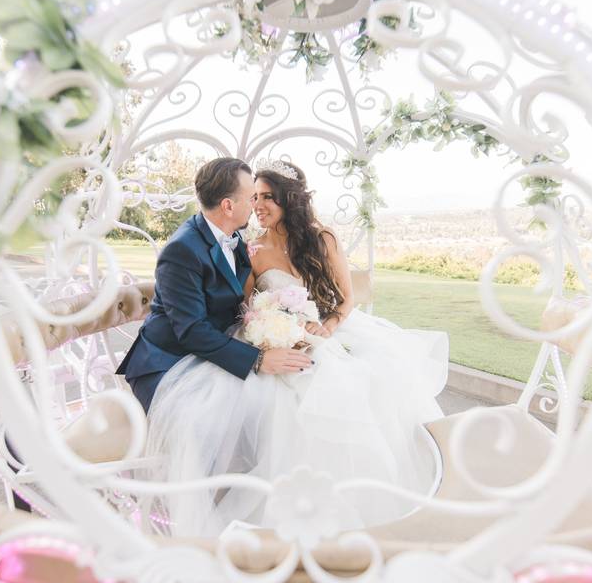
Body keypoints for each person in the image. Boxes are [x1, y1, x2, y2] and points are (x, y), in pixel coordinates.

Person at [142, 158, 449, 537]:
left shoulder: (324, 240)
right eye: (253, 197)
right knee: (276, 399)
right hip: (274, 338)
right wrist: (272, 331)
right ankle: (283, 506)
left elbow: (344, 301)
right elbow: (247, 306)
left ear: (291, 199)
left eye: (268, 197)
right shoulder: (249, 248)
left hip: (328, 335)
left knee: (358, 387)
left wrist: (325, 327)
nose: (258, 206)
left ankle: (351, 505)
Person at [116, 157, 312, 412]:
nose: (255, 205)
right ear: (228, 206)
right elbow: (191, 330)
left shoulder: (235, 237)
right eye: (251, 197)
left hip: (211, 350)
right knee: (231, 416)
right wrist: (259, 359)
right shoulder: (182, 251)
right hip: (168, 361)